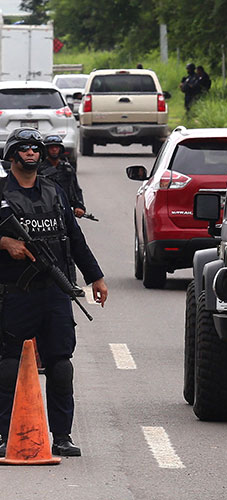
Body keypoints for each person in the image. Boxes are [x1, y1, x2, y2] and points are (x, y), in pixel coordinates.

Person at [0, 128, 108, 457]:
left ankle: (61, 435)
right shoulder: (1, 193)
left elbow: (74, 238)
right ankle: (5, 435)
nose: (32, 153)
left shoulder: (55, 191)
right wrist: (4, 242)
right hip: (14, 294)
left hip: (54, 293)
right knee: (7, 366)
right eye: (25, 149)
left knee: (61, 365)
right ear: (12, 155)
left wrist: (96, 278)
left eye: (36, 149)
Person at [38, 135, 86, 219]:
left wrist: (79, 206)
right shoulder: (38, 170)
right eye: (51, 147)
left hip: (65, 210)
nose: (54, 150)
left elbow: (75, 190)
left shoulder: (67, 169)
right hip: (45, 211)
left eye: (56, 147)